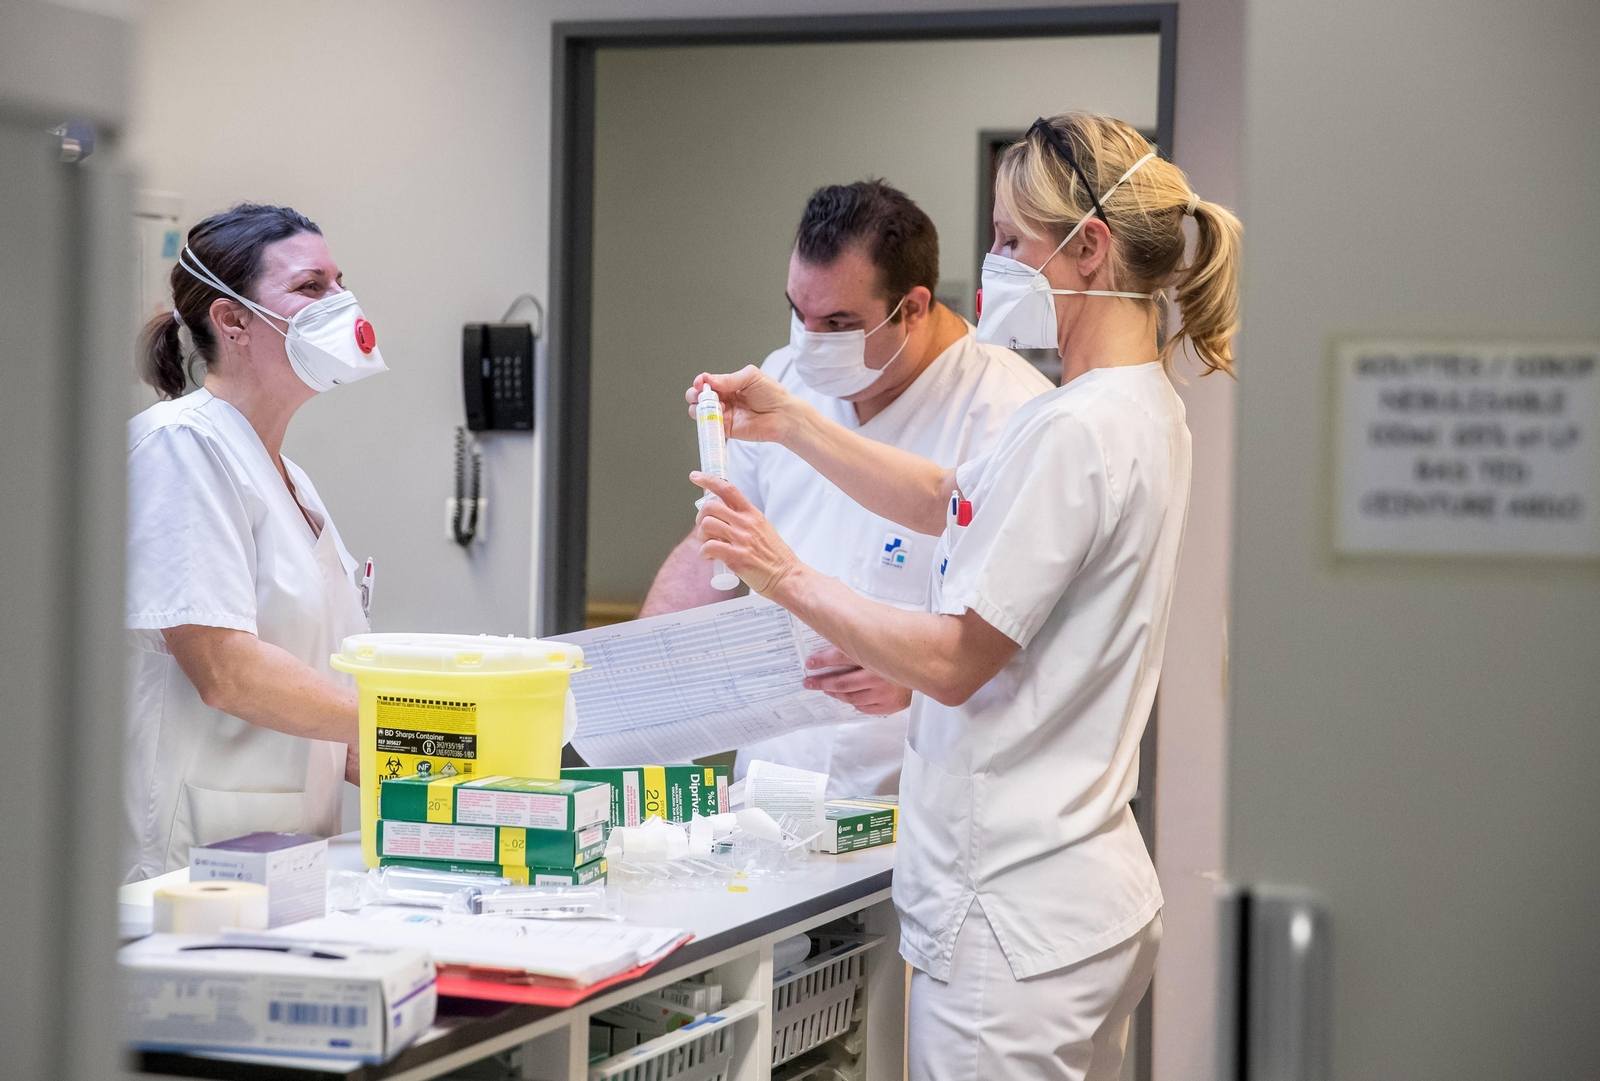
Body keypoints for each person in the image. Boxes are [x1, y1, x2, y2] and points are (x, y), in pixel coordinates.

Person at [685, 113, 1241, 1079]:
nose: (991, 263)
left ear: (1088, 248)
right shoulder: (1135, 407)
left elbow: (954, 659)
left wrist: (783, 575)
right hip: (1075, 892)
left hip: (1012, 910)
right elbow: (958, 499)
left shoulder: (1070, 428)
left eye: (1010, 240)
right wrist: (794, 427)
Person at [640, 180, 1051, 798]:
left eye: (837, 322)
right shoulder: (780, 382)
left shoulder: (1008, 413)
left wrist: (909, 677)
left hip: (915, 802)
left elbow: (1032, 640)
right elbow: (714, 546)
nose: (808, 341)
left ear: (912, 307)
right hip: (772, 790)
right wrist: (637, 675)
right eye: (798, 313)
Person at [124, 203, 387, 881]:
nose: (342, 304)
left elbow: (322, 697)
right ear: (232, 318)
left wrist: (452, 769)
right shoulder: (180, 444)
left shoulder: (292, 482)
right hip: (191, 858)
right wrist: (404, 718)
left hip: (291, 852)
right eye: (311, 287)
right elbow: (225, 669)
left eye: (340, 283)